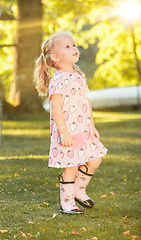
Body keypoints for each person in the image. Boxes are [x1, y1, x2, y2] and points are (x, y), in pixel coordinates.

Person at [34, 32, 107, 214]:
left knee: (95, 160)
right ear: (55, 57)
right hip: (68, 131)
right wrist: (64, 132)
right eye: (67, 46)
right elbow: (56, 108)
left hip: (83, 129)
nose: (74, 48)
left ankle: (79, 190)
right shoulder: (58, 79)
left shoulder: (78, 76)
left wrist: (93, 126)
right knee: (71, 167)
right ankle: (67, 202)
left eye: (73, 45)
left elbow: (85, 102)